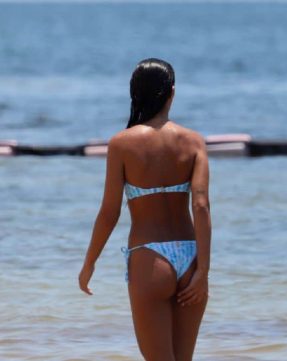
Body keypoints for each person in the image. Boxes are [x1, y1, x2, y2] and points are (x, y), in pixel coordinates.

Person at [79, 58, 211, 361]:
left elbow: (109, 212)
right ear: (172, 93)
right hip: (191, 258)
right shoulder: (194, 142)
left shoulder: (121, 144)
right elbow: (201, 206)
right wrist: (203, 271)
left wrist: (89, 263)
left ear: (134, 94)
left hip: (149, 259)